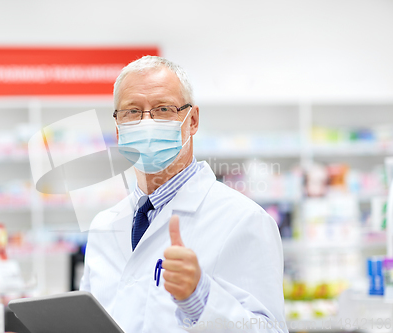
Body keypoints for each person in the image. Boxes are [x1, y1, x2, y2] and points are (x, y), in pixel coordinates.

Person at [79, 56, 287, 333]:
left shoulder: (244, 220)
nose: (146, 123)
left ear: (193, 121)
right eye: (132, 112)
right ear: (118, 128)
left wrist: (200, 300)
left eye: (163, 109)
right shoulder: (103, 226)